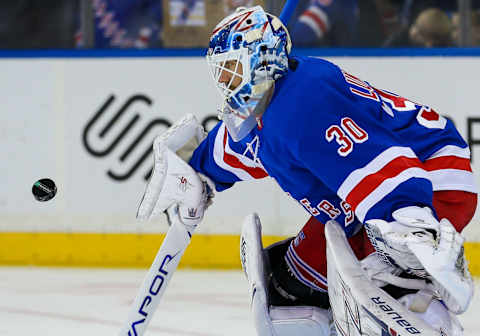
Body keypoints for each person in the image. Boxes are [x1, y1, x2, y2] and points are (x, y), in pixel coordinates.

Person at [138, 5, 477, 335]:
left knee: (380, 280)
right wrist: (195, 172)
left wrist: (410, 224)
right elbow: (236, 150)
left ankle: (424, 311)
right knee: (286, 292)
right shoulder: (265, 110)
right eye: (221, 73)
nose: (226, 83)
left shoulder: (304, 101)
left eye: (232, 70)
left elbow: (375, 161)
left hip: (430, 177)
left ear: (260, 60)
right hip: (362, 202)